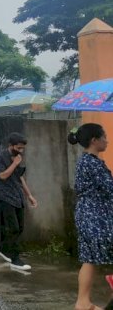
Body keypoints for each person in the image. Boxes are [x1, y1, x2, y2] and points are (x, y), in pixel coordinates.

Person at [69, 123, 112, 310]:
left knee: (89, 260)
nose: (107, 141)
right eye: (104, 137)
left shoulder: (86, 161)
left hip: (87, 215)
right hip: (97, 217)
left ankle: (83, 302)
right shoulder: (91, 163)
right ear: (94, 141)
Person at [0, 132, 37, 271]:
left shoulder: (18, 157)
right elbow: (2, 176)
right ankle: (15, 258)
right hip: (5, 196)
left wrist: (29, 195)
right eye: (18, 148)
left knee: (20, 228)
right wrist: (14, 163)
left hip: (17, 196)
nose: (21, 151)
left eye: (22, 148)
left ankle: (2, 248)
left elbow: (19, 177)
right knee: (13, 228)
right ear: (10, 145)